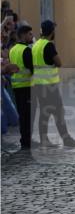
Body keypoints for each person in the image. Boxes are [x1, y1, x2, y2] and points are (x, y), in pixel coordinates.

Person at [32, 20, 75, 149]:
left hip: (38, 85)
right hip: (49, 86)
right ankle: (66, 140)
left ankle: (44, 139)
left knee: (44, 113)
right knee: (59, 113)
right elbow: (59, 62)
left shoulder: (36, 45)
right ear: (52, 32)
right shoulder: (49, 45)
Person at [8, 23, 34, 151]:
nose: (32, 36)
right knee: (28, 115)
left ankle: (24, 139)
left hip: (16, 87)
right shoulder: (27, 50)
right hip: (27, 86)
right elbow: (32, 68)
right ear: (23, 35)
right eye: (30, 34)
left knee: (22, 115)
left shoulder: (12, 49)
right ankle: (27, 141)